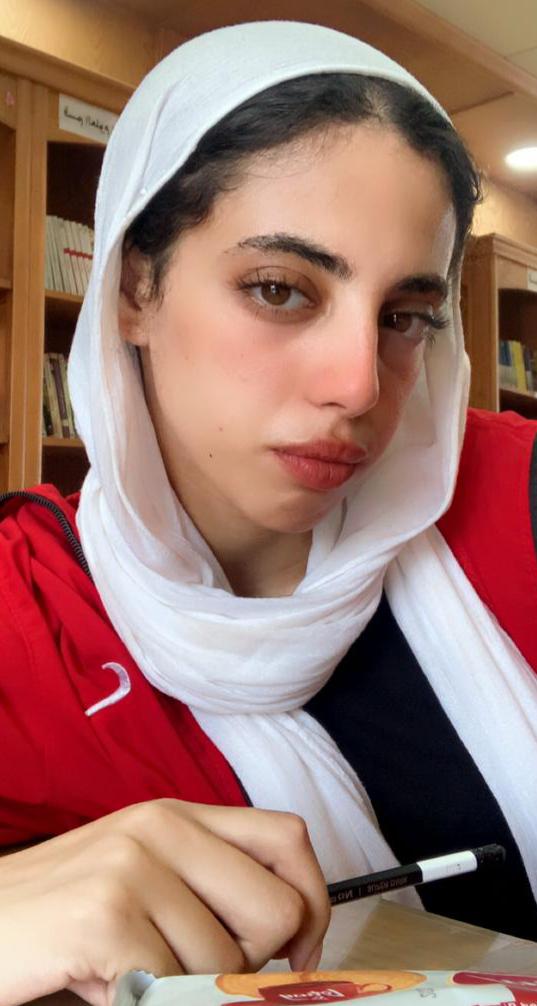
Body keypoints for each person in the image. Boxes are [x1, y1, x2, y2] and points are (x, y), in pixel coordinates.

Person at [0, 17, 536, 1006]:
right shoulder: (21, 620)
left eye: (406, 316)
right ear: (134, 286)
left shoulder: (515, 494)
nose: (358, 384)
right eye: (280, 290)